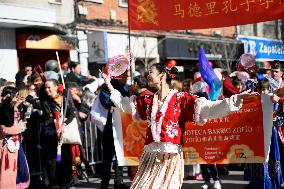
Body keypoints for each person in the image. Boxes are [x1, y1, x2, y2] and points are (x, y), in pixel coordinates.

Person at [101, 63, 248, 188]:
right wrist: (108, 83)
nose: (147, 76)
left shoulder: (181, 99)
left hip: (170, 158)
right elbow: (124, 105)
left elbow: (207, 108)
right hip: (150, 157)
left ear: (162, 76)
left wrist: (232, 102)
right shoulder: (146, 99)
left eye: (150, 72)